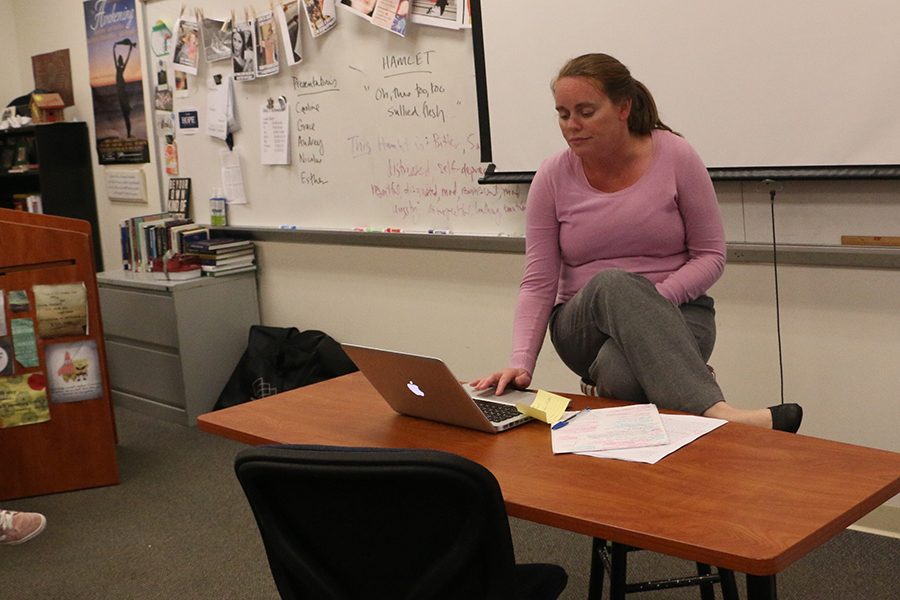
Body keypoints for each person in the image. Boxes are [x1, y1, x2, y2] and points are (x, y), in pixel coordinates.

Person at [471, 53, 802, 433]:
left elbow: (710, 256)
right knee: (613, 283)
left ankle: (646, 477)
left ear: (623, 107)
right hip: (582, 326)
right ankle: (717, 411)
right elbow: (538, 281)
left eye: (586, 112)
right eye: (563, 114)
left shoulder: (676, 155)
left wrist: (649, 303)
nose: (572, 126)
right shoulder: (551, 176)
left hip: (683, 313)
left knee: (621, 375)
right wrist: (521, 362)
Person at [113, 39, 135, 138]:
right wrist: (114, 49)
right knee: (126, 115)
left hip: (122, 92)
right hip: (121, 92)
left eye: (119, 60)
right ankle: (129, 133)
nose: (119, 60)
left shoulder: (120, 68)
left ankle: (129, 133)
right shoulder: (119, 68)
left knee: (126, 115)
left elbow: (127, 59)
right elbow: (117, 58)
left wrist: (130, 50)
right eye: (119, 59)